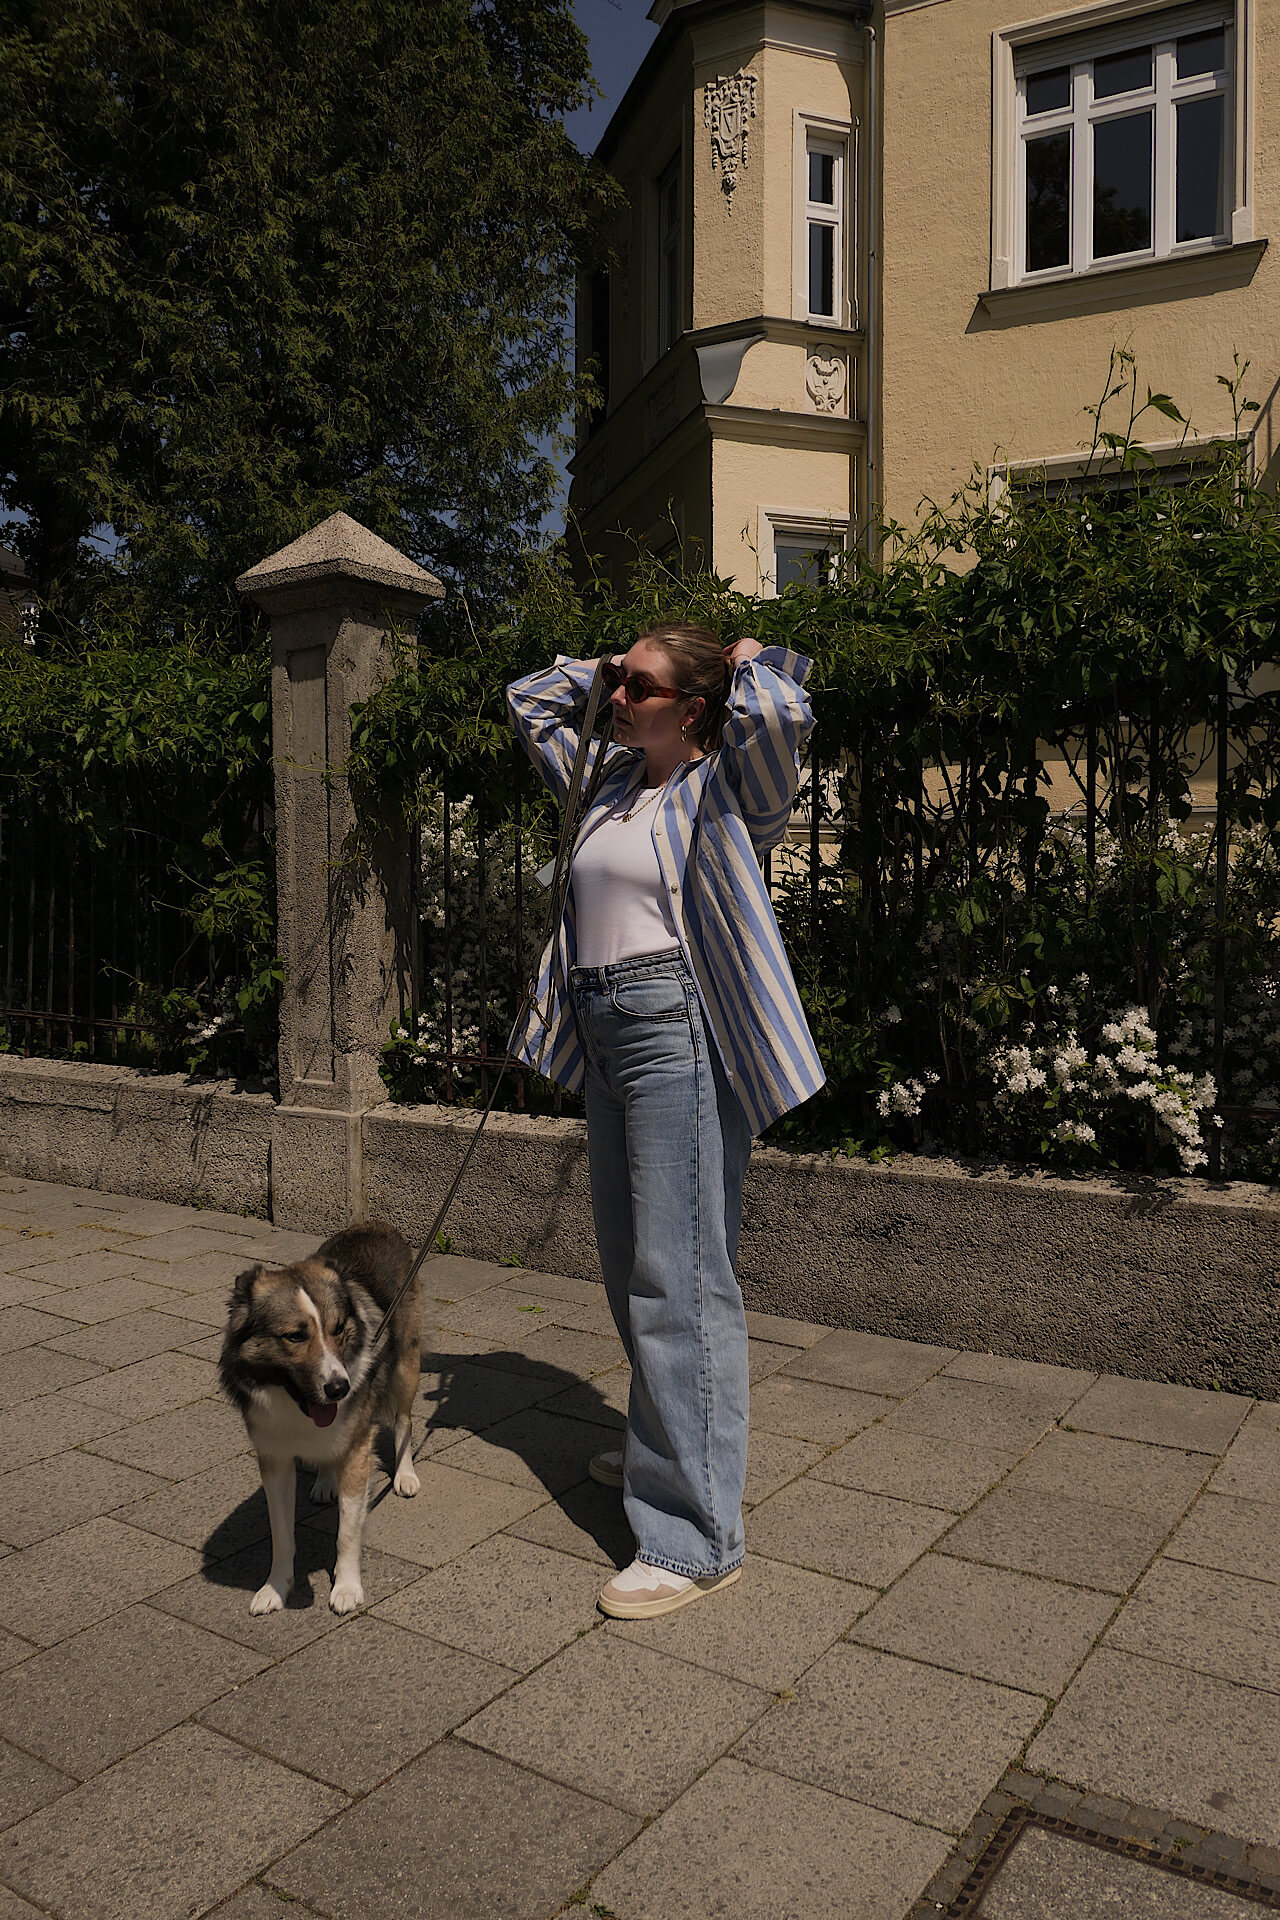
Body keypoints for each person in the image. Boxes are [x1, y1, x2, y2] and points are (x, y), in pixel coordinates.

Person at [506, 623, 824, 1618]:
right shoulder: (603, 782)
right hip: (603, 1028)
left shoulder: (727, 788)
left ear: (689, 710)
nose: (617, 698)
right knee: (627, 1258)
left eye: (640, 686)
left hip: (672, 1033)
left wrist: (747, 662)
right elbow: (527, 703)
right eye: (618, 684)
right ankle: (663, 1438)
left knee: (677, 1276)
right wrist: (596, 668)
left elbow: (782, 718)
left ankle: (694, 1539)